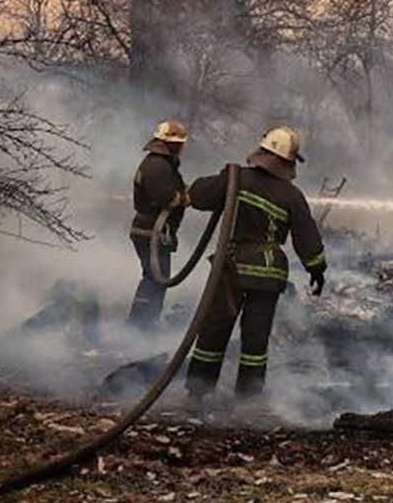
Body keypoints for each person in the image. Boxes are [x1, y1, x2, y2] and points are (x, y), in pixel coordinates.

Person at [185, 126, 326, 400]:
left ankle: (198, 392)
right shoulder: (292, 195)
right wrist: (317, 268)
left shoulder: (236, 178)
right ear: (288, 162)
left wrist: (190, 190)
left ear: (262, 152)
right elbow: (307, 236)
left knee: (214, 329)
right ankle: (248, 398)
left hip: (231, 269)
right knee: (256, 338)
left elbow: (200, 196)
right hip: (268, 275)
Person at [128, 120, 189, 329]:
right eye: (180, 144)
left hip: (154, 231)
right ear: (172, 144)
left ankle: (144, 325)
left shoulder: (160, 164)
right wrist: (185, 197)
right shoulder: (157, 166)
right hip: (152, 231)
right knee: (155, 279)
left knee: (156, 279)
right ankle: (139, 327)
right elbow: (166, 197)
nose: (182, 148)